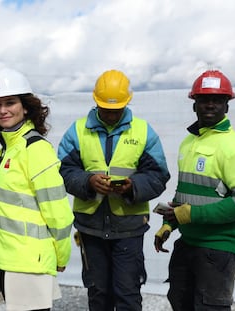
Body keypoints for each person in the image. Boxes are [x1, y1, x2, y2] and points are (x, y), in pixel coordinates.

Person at [57, 69, 170, 311]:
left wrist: (133, 187)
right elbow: (63, 171)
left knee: (128, 294)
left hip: (129, 229)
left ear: (127, 103)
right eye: (106, 109)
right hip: (90, 228)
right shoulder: (77, 131)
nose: (110, 114)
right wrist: (87, 181)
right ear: (95, 101)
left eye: (116, 109)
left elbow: (159, 175)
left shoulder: (143, 132)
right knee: (98, 294)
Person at [154, 70, 235, 310]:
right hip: (188, 244)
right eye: (203, 100)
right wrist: (170, 224)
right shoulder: (190, 142)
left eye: (217, 100)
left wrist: (191, 214)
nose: (210, 105)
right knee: (180, 302)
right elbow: (185, 194)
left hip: (219, 249)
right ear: (195, 105)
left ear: (227, 105)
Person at [0, 68, 74, 311]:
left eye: (10, 102)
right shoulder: (9, 148)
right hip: (11, 259)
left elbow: (58, 211)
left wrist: (61, 256)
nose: (3, 110)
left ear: (26, 107)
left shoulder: (35, 149)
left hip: (30, 262)